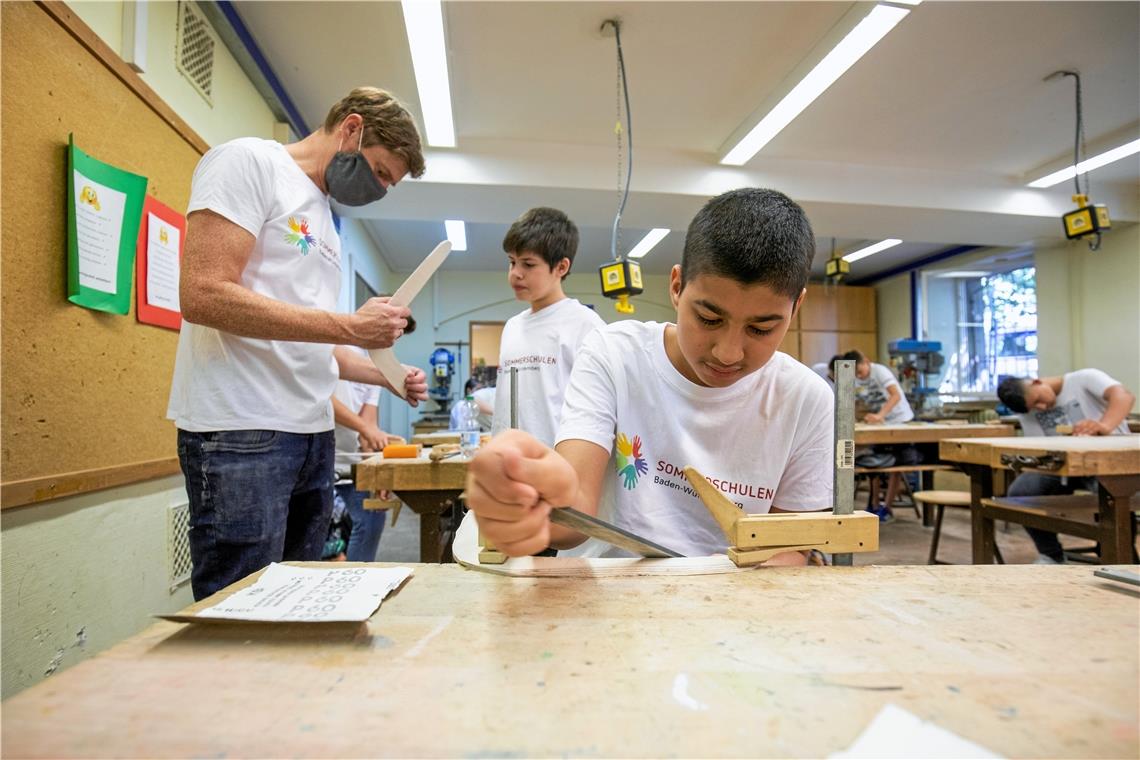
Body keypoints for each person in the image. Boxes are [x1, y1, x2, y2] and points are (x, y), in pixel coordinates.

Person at [466, 188, 833, 564]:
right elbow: (575, 516)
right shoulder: (614, 354)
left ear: (796, 306)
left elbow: (790, 547)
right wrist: (531, 510)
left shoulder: (806, 399)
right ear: (676, 286)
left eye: (761, 328)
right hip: (609, 594)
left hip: (736, 603)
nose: (728, 352)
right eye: (708, 319)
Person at [169, 87, 429, 600]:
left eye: (388, 185)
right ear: (351, 129)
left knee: (298, 600)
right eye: (379, 172)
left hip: (312, 433)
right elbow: (203, 294)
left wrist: (385, 376)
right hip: (243, 428)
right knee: (240, 605)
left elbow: (312, 339)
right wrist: (350, 326)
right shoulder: (248, 163)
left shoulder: (326, 221)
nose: (378, 189)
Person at [491, 207, 606, 443]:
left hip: (555, 467)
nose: (515, 274)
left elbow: (600, 411)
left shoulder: (585, 325)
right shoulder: (512, 327)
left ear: (561, 268)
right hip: (510, 464)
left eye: (528, 264)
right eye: (512, 262)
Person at [997, 369, 1135, 563]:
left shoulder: (1084, 379)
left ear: (1037, 382)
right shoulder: (1028, 413)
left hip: (1107, 462)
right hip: (1063, 467)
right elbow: (1042, 452)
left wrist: (1103, 425)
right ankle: (1051, 555)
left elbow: (1124, 396)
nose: (1042, 407)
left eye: (1038, 400)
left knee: (1113, 492)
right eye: (1035, 407)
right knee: (1021, 492)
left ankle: (1122, 557)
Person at [843, 349, 916, 522]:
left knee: (895, 465)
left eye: (860, 372)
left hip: (899, 421)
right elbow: (857, 402)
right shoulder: (855, 377)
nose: (859, 377)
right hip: (880, 424)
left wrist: (880, 415)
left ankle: (887, 507)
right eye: (855, 374)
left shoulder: (880, 371)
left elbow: (895, 395)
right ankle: (874, 504)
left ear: (866, 361)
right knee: (873, 462)